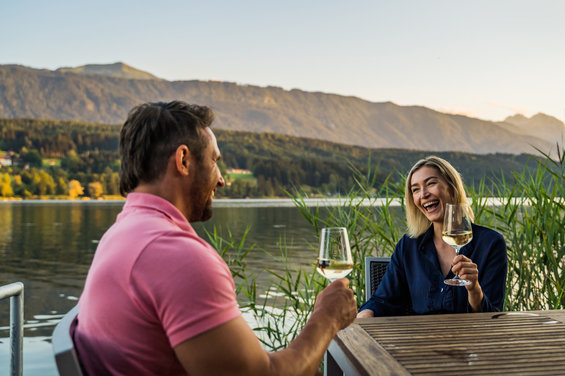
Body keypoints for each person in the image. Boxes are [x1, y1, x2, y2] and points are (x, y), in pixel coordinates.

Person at [73, 100, 357, 376]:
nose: (221, 179)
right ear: (183, 160)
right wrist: (326, 317)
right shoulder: (177, 257)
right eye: (214, 161)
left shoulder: (120, 235)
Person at [358, 156, 507, 317]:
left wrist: (474, 289)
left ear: (451, 187)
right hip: (419, 340)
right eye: (415, 189)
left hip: (470, 341)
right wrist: (361, 319)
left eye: (431, 183)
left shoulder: (490, 243)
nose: (423, 194)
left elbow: (492, 318)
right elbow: (382, 301)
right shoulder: (408, 245)